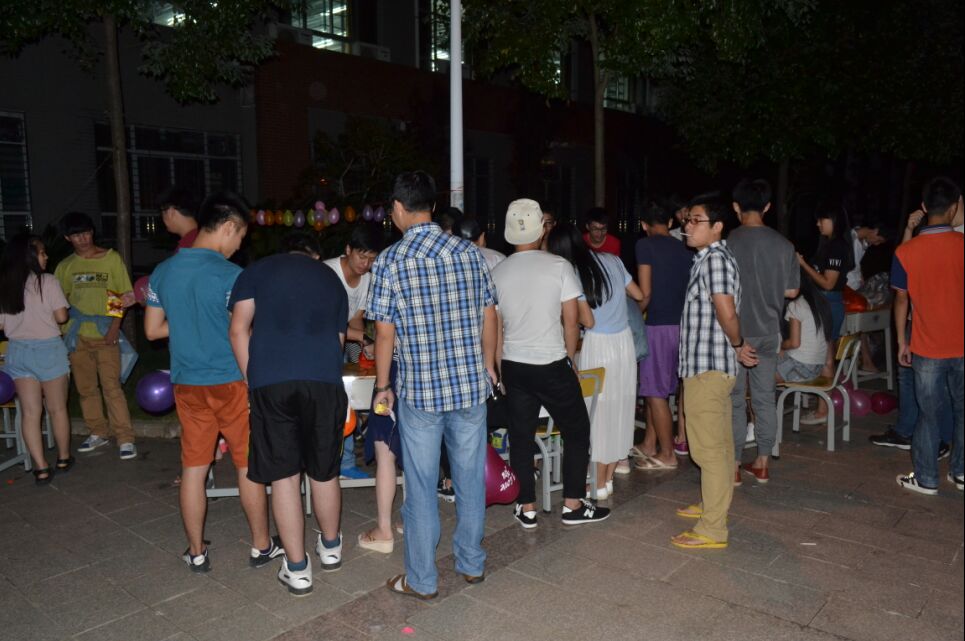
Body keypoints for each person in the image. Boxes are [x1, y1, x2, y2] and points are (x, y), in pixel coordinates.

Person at [367, 171, 496, 600]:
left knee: (421, 486)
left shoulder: (390, 261)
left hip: (421, 393)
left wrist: (382, 386)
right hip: (470, 387)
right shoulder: (470, 253)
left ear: (398, 208)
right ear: (434, 207)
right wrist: (489, 366)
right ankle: (471, 563)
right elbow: (489, 314)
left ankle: (421, 580)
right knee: (469, 478)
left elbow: (384, 333)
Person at [145, 192, 278, 572]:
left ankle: (196, 551)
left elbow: (152, 330)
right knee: (247, 465)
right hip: (232, 382)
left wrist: (188, 323)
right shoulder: (233, 276)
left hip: (187, 384)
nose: (239, 247)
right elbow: (246, 330)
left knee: (194, 468)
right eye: (241, 237)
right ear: (229, 227)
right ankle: (261, 546)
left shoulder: (163, 272)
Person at [229, 232, 348, 595]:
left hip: (272, 382)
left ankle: (297, 569)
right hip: (324, 382)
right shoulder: (331, 279)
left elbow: (238, 330)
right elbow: (339, 341)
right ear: (314, 255)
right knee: (324, 471)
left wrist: (252, 379)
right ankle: (331, 548)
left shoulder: (256, 271)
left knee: (284, 476)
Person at [492, 198, 610, 530]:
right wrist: (570, 358)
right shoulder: (559, 266)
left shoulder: (497, 272)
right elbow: (571, 322)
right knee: (577, 429)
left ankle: (526, 507)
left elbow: (495, 328)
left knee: (521, 435)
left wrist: (499, 369)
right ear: (540, 229)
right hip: (551, 362)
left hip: (514, 366)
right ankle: (573, 504)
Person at [672, 195, 757, 550]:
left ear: (717, 226)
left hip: (708, 369)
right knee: (718, 447)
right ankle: (712, 506)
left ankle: (712, 528)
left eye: (696, 220)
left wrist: (738, 343)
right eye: (687, 220)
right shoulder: (708, 258)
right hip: (708, 367)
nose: (688, 226)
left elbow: (726, 311)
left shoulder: (715, 261)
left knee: (708, 450)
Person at [547, 223, 643, 498]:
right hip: (624, 343)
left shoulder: (572, 273)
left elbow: (587, 321)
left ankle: (597, 482)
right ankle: (608, 478)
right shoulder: (613, 260)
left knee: (597, 414)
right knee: (621, 407)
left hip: (598, 345)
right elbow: (638, 294)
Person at [893, 177, 964, 495]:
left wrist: (901, 341)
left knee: (928, 413)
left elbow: (901, 299)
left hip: (926, 346)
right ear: (953, 208)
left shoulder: (906, 251)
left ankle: (926, 479)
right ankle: (961, 472)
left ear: (923, 207)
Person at [726, 179, 799, 485]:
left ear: (736, 207)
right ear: (768, 206)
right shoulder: (784, 245)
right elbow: (792, 291)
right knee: (765, 398)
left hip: (736, 334)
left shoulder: (728, 242)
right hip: (769, 331)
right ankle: (763, 462)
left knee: (734, 400)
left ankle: (733, 466)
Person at [54, 212, 137, 460]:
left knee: (112, 386)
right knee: (86, 388)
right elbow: (60, 301)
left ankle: (125, 437)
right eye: (76, 235)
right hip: (76, 334)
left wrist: (114, 327)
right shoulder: (65, 266)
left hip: (105, 331)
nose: (83, 238)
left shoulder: (111, 259)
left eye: (86, 232)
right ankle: (98, 432)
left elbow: (120, 295)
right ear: (68, 238)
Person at [0, 234, 72, 484]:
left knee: (30, 413)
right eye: (42, 253)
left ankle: (41, 468)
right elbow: (62, 317)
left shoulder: (5, 285)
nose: (46, 257)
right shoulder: (47, 281)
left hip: (18, 351)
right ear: (30, 256)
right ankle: (63, 458)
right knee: (57, 408)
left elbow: (1, 324)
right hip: (48, 350)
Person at [634, 200, 694, 471]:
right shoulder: (685, 247)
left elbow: (645, 293)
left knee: (655, 392)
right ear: (670, 222)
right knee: (658, 389)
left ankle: (668, 454)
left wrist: (633, 317)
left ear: (643, 225)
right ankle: (650, 443)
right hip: (683, 326)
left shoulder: (644, 245)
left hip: (657, 325)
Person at [324, 224, 384, 480]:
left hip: (344, 340)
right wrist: (365, 339)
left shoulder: (367, 279)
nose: (366, 264)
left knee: (351, 396)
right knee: (335, 400)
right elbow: (326, 323)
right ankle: (339, 462)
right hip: (320, 344)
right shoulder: (328, 273)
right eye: (362, 256)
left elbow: (356, 318)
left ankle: (346, 462)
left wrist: (363, 347)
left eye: (372, 259)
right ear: (348, 250)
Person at [797, 203, 854, 424]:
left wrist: (803, 264)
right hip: (823, 302)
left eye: (822, 219)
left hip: (829, 303)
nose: (818, 224)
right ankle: (822, 405)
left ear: (835, 221)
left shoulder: (837, 247)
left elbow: (828, 283)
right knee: (824, 355)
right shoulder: (829, 245)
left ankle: (823, 410)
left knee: (826, 357)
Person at [777, 270, 832, 383]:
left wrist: (780, 347)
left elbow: (794, 343)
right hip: (816, 369)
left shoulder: (796, 305)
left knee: (761, 369)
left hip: (799, 368)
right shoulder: (818, 304)